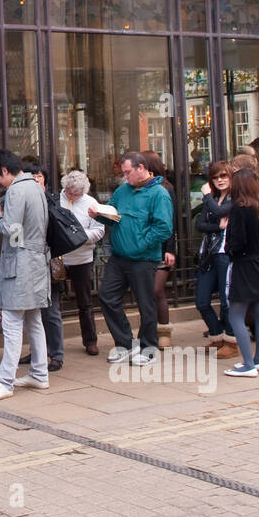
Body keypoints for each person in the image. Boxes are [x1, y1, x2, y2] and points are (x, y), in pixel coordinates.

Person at [0, 149, 51, 402]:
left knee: (11, 323)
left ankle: (5, 381)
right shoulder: (34, 186)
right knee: (34, 320)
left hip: (19, 265)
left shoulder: (17, 191)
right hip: (36, 262)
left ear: (5, 171)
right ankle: (40, 373)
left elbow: (14, 231)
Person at [92, 151, 174, 365]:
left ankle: (148, 348)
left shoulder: (159, 194)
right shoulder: (122, 191)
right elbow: (114, 217)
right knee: (107, 296)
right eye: (124, 172)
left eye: (128, 172)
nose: (125, 176)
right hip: (119, 256)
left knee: (146, 304)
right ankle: (126, 344)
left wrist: (141, 243)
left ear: (141, 168)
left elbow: (164, 228)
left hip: (143, 259)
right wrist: (100, 215)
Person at [223, 168, 259, 377]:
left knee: (236, 315)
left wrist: (228, 249)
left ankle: (248, 365)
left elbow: (237, 242)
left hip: (244, 266)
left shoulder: (238, 208)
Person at [22, 158, 65, 371]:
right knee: (32, 311)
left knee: (51, 310)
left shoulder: (52, 201)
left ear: (45, 180)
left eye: (39, 176)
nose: (35, 180)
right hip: (29, 261)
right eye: (32, 176)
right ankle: (38, 351)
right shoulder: (24, 199)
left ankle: (56, 354)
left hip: (48, 262)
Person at [59, 170, 106, 355]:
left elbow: (99, 230)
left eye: (76, 194)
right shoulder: (57, 200)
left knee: (85, 302)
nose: (72, 196)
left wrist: (79, 237)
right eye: (69, 192)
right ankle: (52, 343)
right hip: (60, 258)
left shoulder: (91, 203)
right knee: (53, 302)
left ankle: (90, 340)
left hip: (82, 258)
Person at [195, 161, 235, 357]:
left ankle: (231, 342)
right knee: (201, 301)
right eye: (215, 177)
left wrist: (207, 196)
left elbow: (220, 212)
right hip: (209, 254)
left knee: (226, 300)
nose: (220, 180)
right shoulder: (214, 199)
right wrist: (217, 227)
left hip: (226, 254)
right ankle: (216, 336)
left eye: (224, 176)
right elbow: (200, 225)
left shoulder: (235, 197)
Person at [142, 151, 178, 349]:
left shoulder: (166, 188)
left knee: (157, 290)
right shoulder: (141, 189)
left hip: (163, 248)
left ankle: (164, 330)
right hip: (146, 248)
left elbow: (169, 223)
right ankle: (150, 331)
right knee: (147, 292)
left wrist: (170, 249)